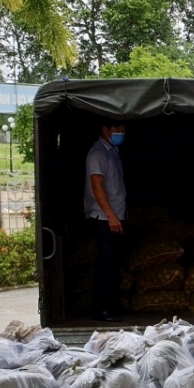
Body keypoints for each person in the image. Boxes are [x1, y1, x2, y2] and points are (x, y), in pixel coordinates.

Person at [84, 119, 127, 323]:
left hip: (115, 216)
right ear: (105, 129)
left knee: (114, 263)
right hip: (104, 218)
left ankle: (111, 306)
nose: (121, 132)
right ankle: (101, 310)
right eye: (117, 128)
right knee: (106, 263)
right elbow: (97, 186)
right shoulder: (98, 154)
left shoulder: (111, 151)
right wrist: (110, 215)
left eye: (123, 129)